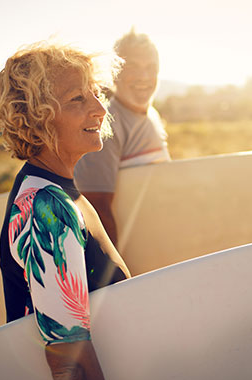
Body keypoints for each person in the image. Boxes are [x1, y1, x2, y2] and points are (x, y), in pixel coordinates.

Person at [0, 41, 131, 380]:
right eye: (77, 100)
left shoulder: (59, 191)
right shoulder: (47, 206)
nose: (100, 109)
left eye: (96, 94)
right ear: (37, 118)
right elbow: (68, 364)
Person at [74, 29, 171, 245]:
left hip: (161, 247)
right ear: (114, 72)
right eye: (133, 67)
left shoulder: (152, 115)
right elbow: (96, 208)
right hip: (135, 261)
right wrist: (118, 275)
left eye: (151, 68)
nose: (144, 77)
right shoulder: (105, 124)